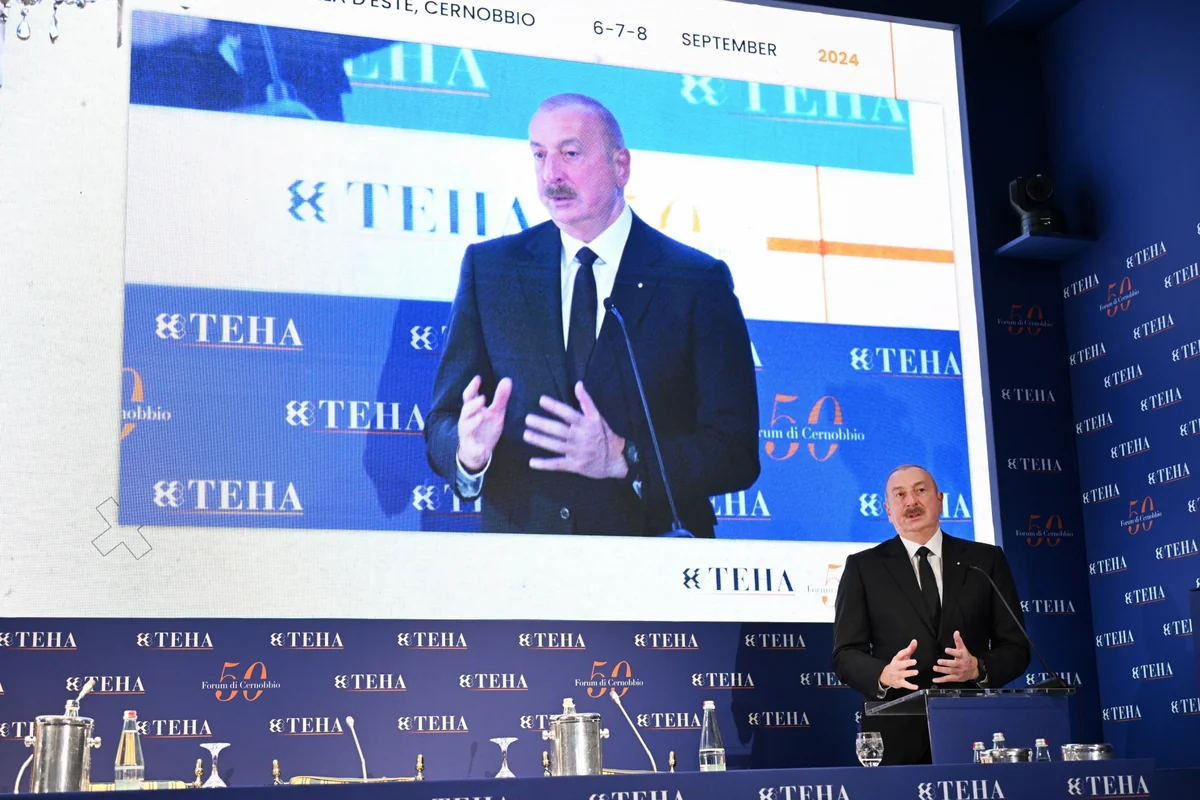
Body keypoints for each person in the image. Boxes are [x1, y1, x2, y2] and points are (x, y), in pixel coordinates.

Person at [421, 93, 760, 537]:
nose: (551, 175)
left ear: (621, 166)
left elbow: (735, 452)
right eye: (539, 155)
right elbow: (443, 420)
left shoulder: (695, 281)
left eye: (570, 154)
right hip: (523, 561)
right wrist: (468, 453)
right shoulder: (492, 270)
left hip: (649, 552)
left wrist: (625, 458)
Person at [831, 464, 1030, 764]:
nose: (911, 502)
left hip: (974, 732)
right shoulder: (863, 568)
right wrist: (883, 674)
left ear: (940, 500)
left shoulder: (985, 561)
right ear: (888, 510)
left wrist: (977, 668)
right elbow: (845, 653)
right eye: (900, 495)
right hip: (896, 737)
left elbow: (1016, 647)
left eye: (920, 490)